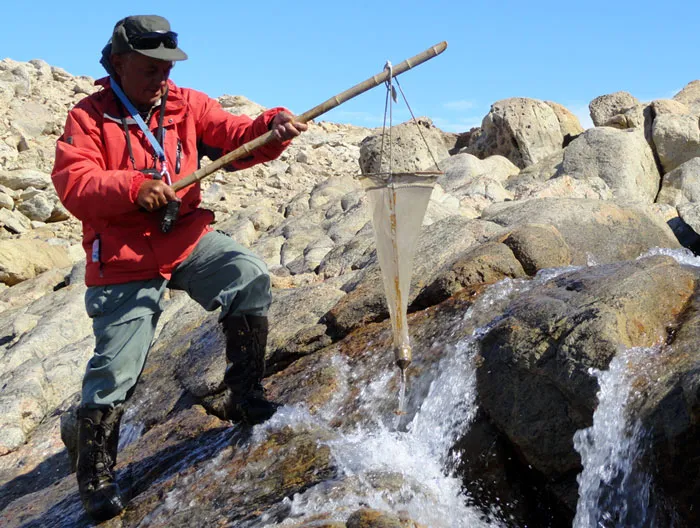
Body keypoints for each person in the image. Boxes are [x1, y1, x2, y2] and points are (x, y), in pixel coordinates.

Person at [51, 14, 307, 522]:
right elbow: (73, 184)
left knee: (248, 273)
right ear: (119, 63)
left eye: (167, 67)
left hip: (184, 238)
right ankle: (96, 473)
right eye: (151, 68)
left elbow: (236, 139)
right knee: (116, 369)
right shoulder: (88, 117)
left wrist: (273, 127)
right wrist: (131, 187)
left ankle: (246, 396)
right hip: (124, 256)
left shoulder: (185, 104)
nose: (162, 78)